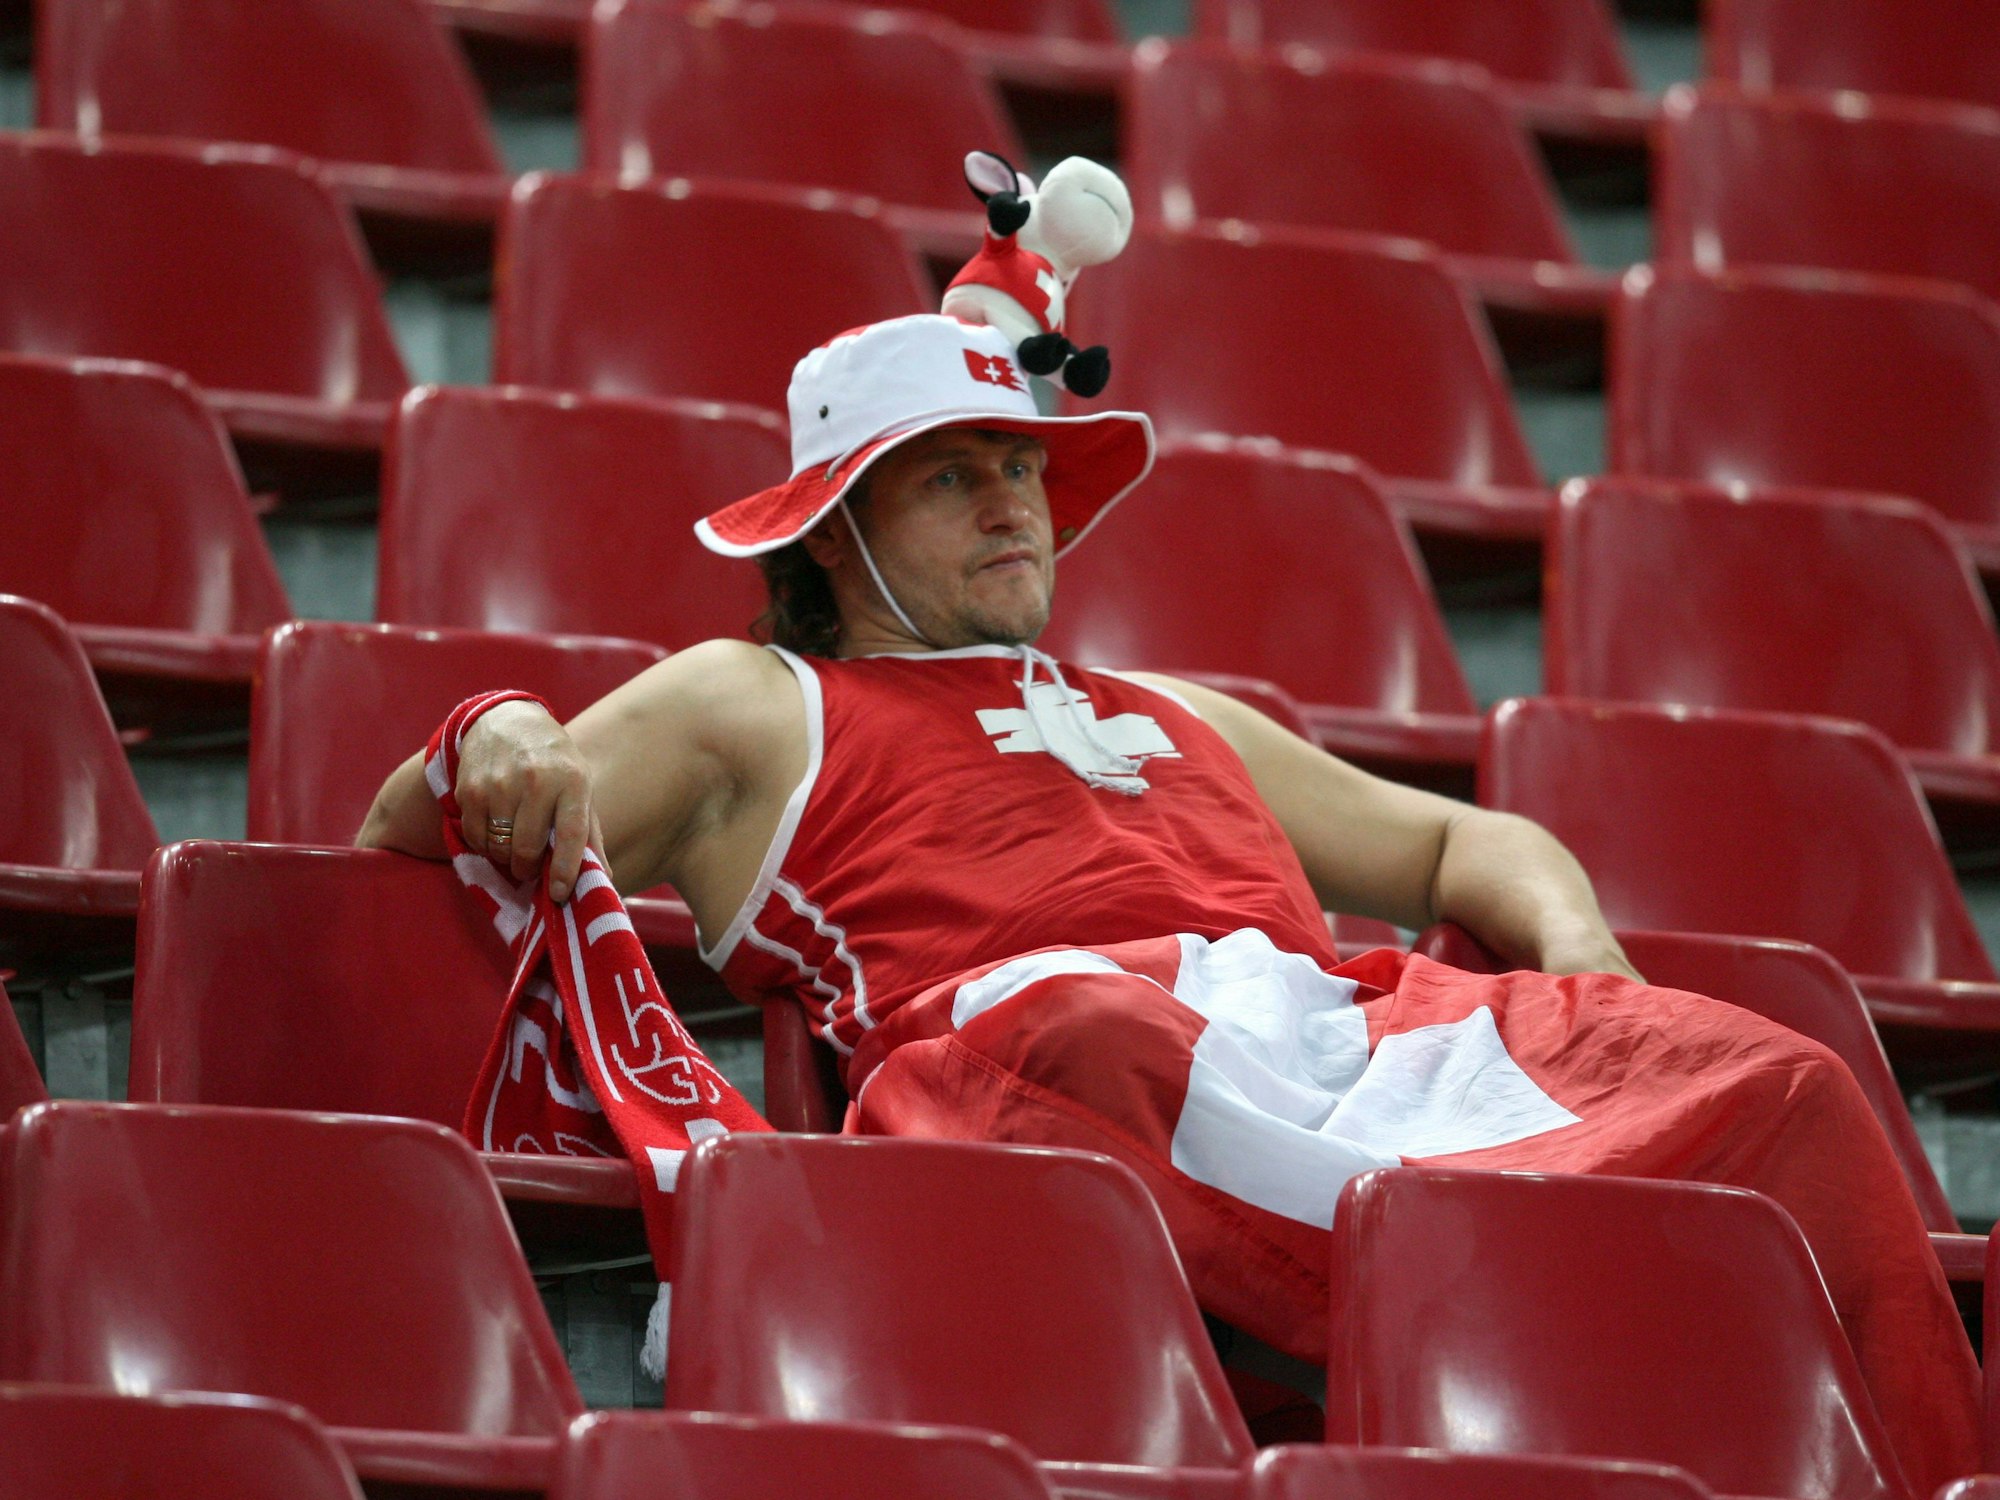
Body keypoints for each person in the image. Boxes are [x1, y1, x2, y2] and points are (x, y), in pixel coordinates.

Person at [360, 314, 1977, 1491]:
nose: (1014, 502)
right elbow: (430, 827)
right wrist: (495, 730)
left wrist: (1588, 969)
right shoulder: (753, 699)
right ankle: (1477, 1315)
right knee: (1085, 1020)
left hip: (1332, 1041)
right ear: (834, 529)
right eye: (953, 476)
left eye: (1022, 464)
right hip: (1034, 1050)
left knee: (1790, 1090)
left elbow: (1461, 849)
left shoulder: (1184, 709)